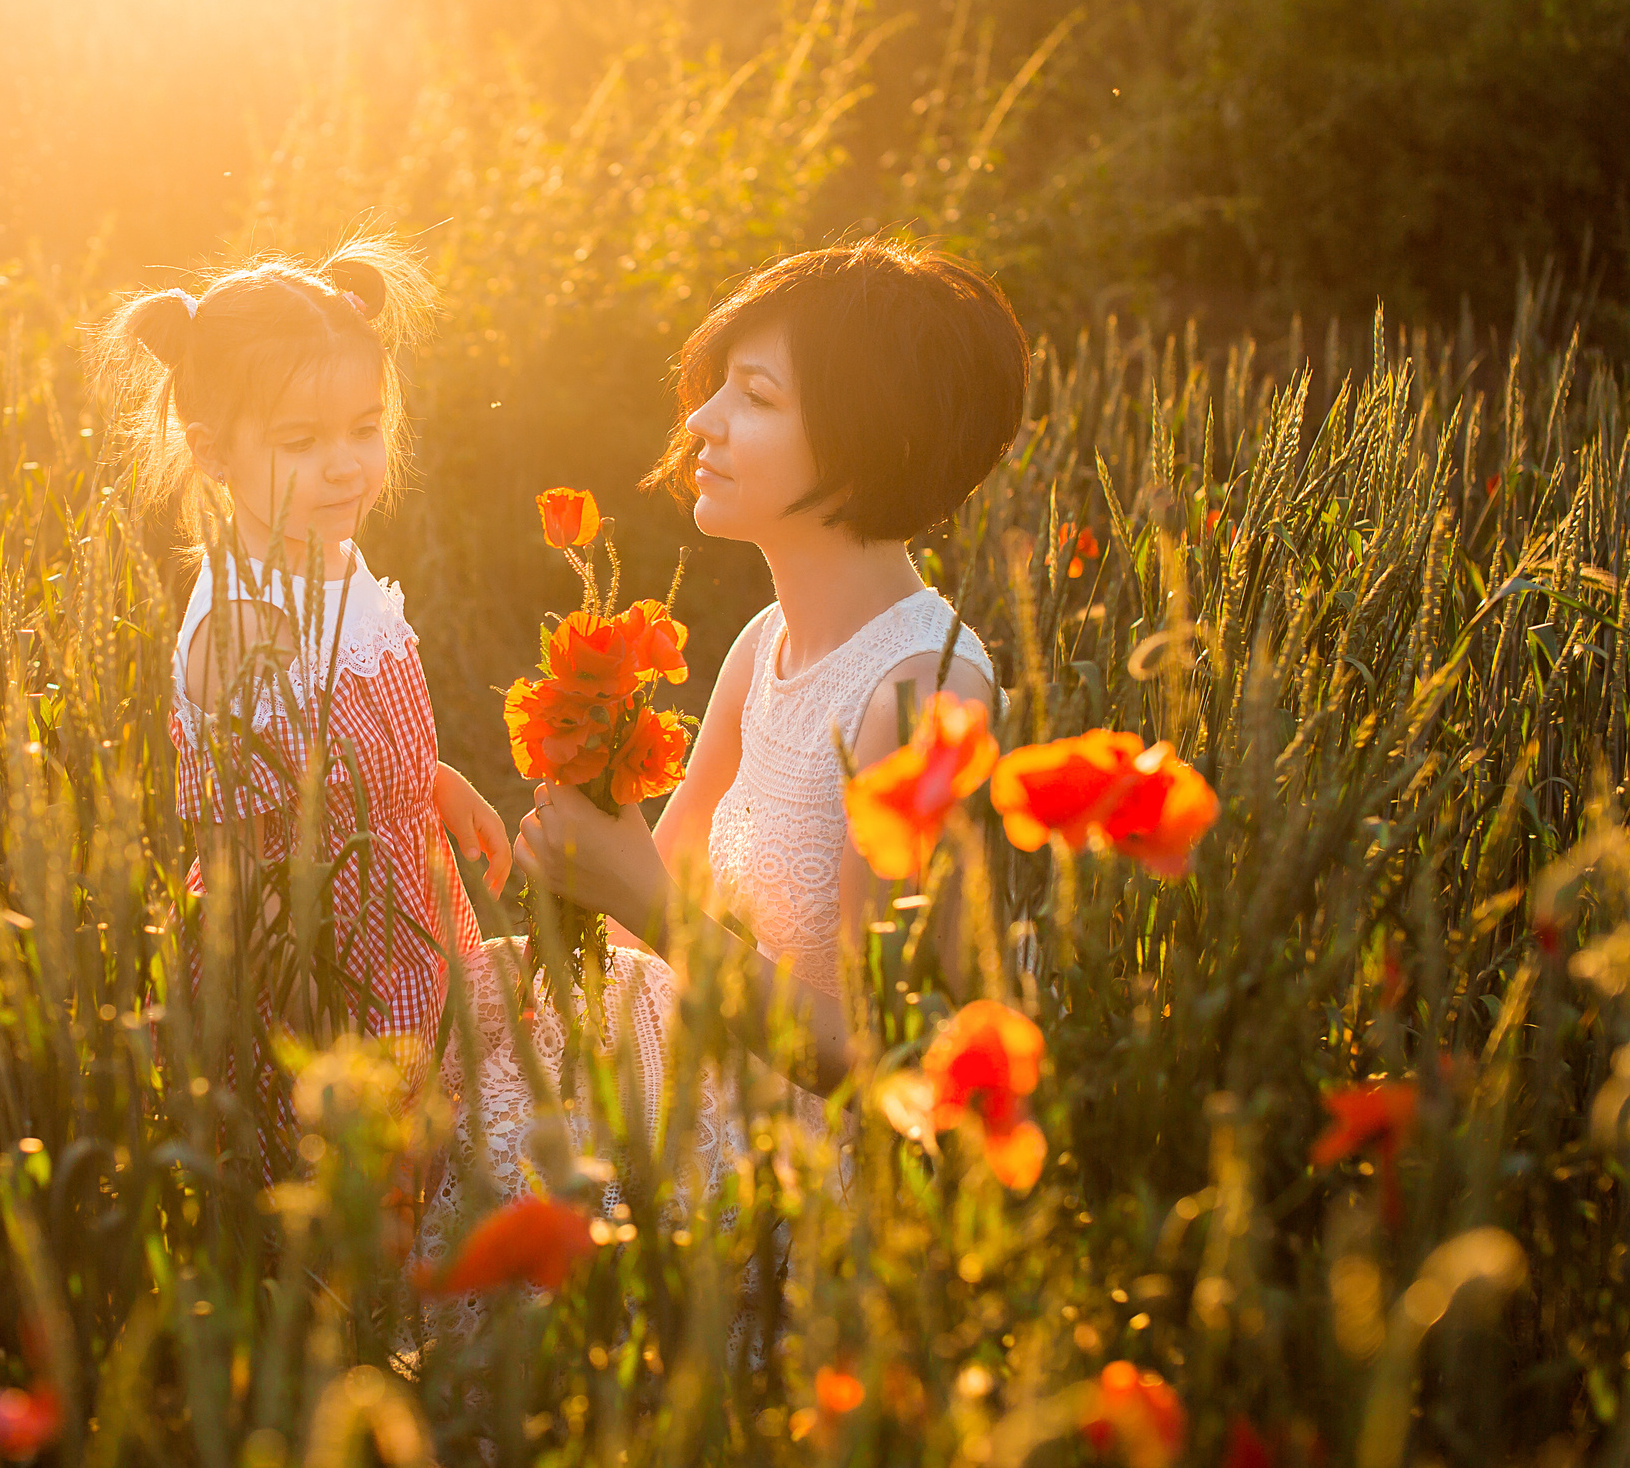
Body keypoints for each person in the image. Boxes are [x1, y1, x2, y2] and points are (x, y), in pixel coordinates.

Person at [513, 236, 1029, 1111]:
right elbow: (654, 887)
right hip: (699, 1084)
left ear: (870, 439)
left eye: (753, 396)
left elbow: (888, 1055)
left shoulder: (924, 696)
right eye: (716, 386)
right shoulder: (765, 644)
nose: (702, 420)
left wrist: (638, 895)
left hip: (799, 1163)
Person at [100, 237, 507, 1159]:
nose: (345, 466)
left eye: (364, 428)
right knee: (385, 1183)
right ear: (213, 453)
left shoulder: (334, 558)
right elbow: (245, 862)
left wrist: (432, 783)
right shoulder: (241, 630)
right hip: (326, 969)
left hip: (409, 909)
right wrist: (321, 1037)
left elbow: (353, 735)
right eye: (301, 442)